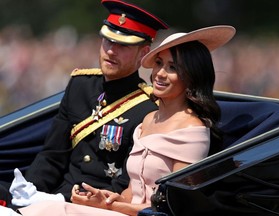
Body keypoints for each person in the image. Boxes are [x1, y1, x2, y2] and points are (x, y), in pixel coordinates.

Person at [8, 25, 236, 216]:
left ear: (192, 76)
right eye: (159, 64)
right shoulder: (149, 118)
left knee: (46, 211)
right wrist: (105, 198)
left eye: (173, 68)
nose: (160, 74)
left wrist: (110, 205)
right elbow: (132, 189)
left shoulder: (192, 130)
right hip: (119, 208)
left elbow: (175, 207)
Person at [0, 0, 168, 209]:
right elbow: (53, 155)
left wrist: (59, 200)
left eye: (123, 45)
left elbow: (125, 184)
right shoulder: (80, 85)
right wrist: (29, 192)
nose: (111, 51)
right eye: (107, 41)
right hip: (53, 196)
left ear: (143, 53)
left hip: (91, 205)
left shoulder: (149, 108)